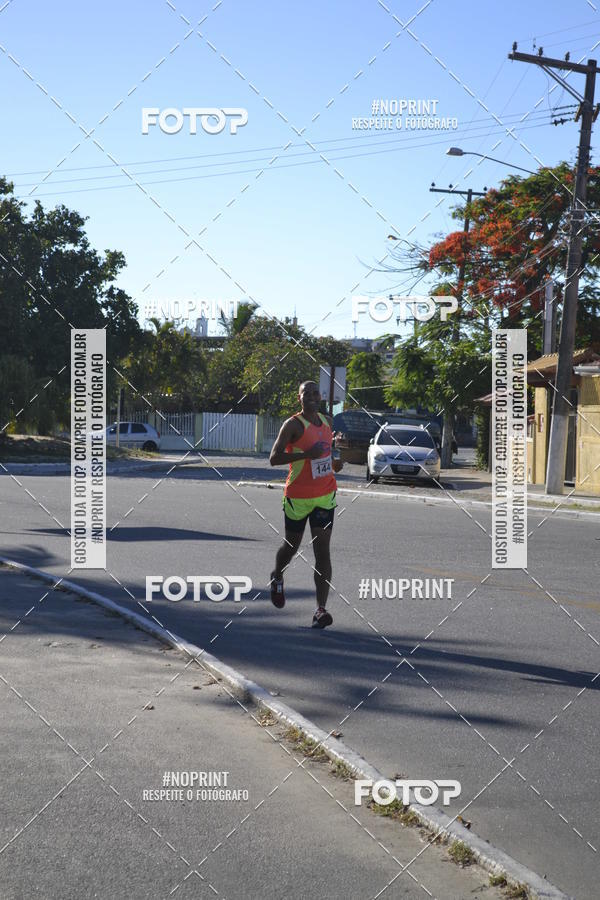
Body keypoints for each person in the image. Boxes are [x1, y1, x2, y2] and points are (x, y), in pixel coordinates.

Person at [269, 381, 343, 628]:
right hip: (298, 497)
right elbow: (274, 458)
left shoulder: (328, 421)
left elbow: (326, 455)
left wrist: (335, 464)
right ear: (299, 398)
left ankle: (320, 610)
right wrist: (305, 454)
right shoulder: (292, 425)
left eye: (315, 393)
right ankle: (277, 575)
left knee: (322, 551)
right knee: (291, 547)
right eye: (306, 393)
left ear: (320, 397)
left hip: (324, 495)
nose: (311, 396)